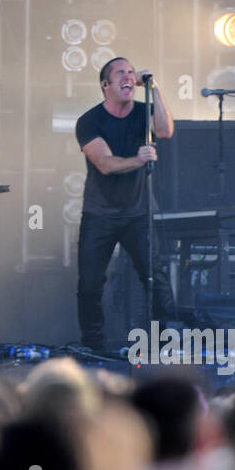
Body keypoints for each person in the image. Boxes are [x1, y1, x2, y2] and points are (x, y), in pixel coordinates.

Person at [74, 56, 178, 354]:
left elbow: (166, 130)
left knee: (154, 276)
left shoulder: (145, 112)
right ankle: (93, 346)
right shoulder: (90, 121)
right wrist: (138, 159)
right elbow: (104, 164)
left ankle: (165, 342)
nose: (128, 76)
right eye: (120, 73)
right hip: (100, 213)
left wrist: (154, 87)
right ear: (105, 85)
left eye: (131, 72)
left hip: (137, 212)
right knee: (91, 283)